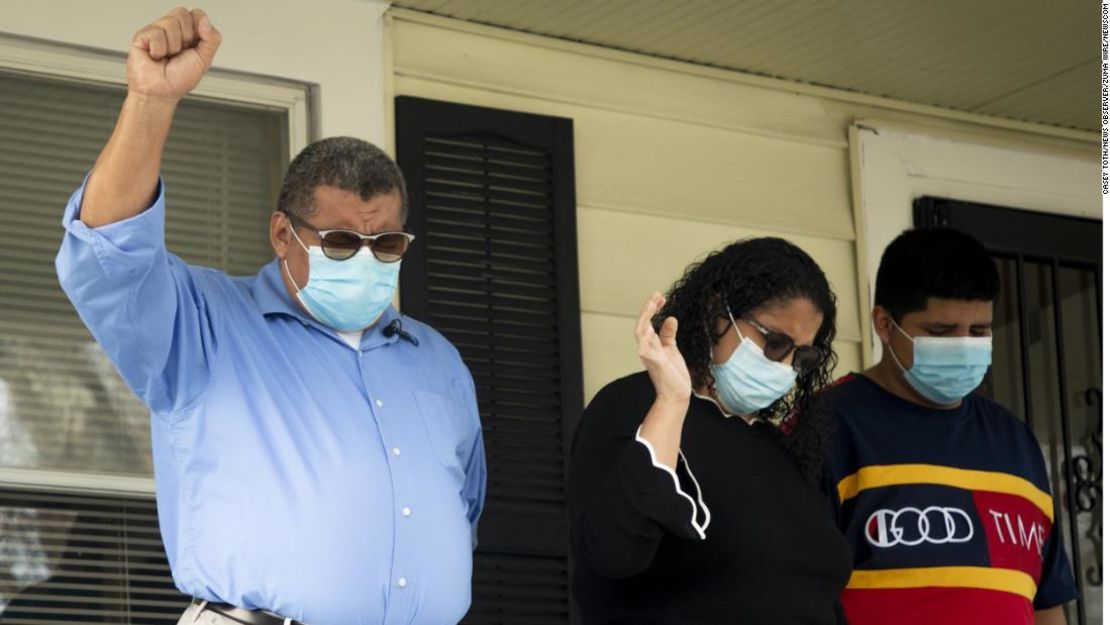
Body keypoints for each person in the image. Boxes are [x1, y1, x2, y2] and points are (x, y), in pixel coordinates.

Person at [54, 8, 486, 625]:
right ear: (284, 234)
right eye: (340, 243)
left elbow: (463, 509)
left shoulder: (438, 360)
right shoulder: (203, 326)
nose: (366, 261)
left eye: (386, 245)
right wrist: (151, 101)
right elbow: (107, 254)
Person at [568, 237, 853, 624]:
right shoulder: (633, 405)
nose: (785, 365)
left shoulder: (784, 449)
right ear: (717, 311)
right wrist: (671, 403)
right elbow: (612, 552)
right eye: (774, 343)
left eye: (801, 355)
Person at [822, 228, 1077, 625]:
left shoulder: (1015, 440)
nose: (964, 346)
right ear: (884, 323)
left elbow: (1046, 602)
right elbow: (790, 593)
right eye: (941, 332)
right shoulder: (828, 426)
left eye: (979, 332)